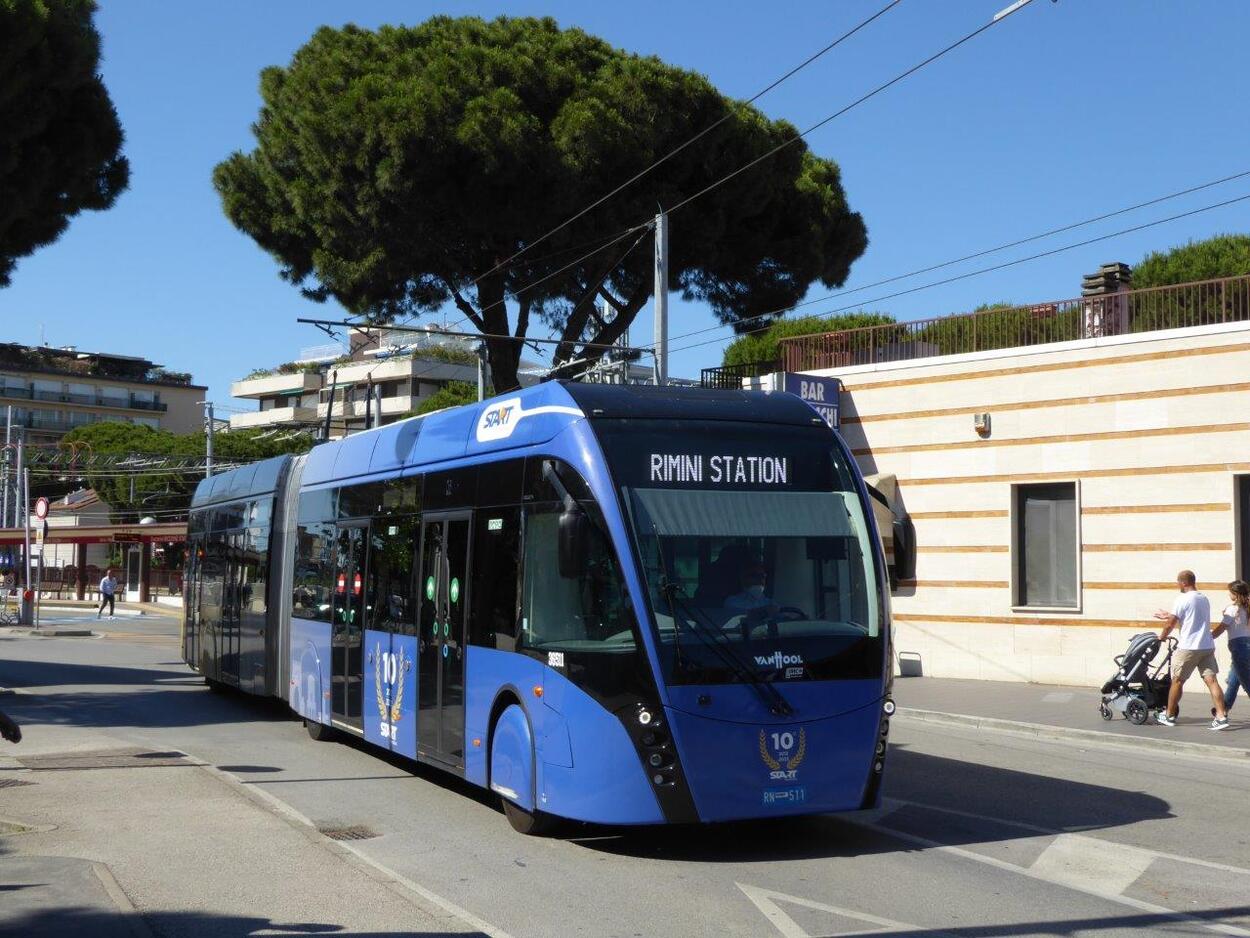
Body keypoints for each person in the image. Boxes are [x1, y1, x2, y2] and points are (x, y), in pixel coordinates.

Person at [1154, 570, 1229, 730]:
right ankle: (1221, 716)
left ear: (1183, 583)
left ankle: (1169, 716)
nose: (1178, 586)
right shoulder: (1203, 598)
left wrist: (1161, 637)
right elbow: (1191, 618)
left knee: (1177, 681)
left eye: (1178, 583)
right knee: (1212, 681)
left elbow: (1171, 623)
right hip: (1206, 646)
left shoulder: (1181, 599)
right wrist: (1169, 614)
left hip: (1188, 647)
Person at [1211, 579, 1250, 716]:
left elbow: (1222, 628)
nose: (1228, 594)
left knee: (1246, 681)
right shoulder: (1246, 608)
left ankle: (1224, 709)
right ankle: (1224, 709)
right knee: (1234, 680)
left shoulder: (1232, 609)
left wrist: (1208, 638)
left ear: (1235, 593)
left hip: (1239, 648)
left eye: (1230, 592)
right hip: (1246, 646)